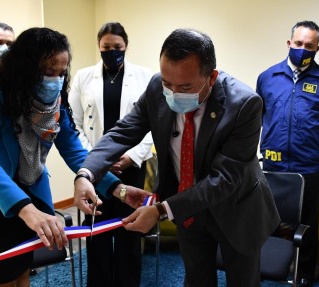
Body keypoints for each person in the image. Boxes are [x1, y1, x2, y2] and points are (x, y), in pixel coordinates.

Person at [74, 28, 280, 287]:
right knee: (196, 278)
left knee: (243, 281)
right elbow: (124, 131)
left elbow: (225, 179)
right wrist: (87, 173)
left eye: (185, 87)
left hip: (236, 208)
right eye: (167, 84)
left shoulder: (245, 104)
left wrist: (162, 210)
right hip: (187, 208)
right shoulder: (156, 87)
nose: (173, 93)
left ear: (211, 77)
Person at [0, 27, 150, 287]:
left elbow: (74, 150)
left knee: (21, 269)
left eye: (61, 73)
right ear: (23, 67)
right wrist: (26, 209)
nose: (54, 80)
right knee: (1, 275)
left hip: (25, 189)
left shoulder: (55, 99)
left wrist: (117, 188)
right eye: (47, 72)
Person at [256, 20, 319, 287]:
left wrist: (311, 140)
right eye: (298, 44)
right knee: (269, 220)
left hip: (308, 167)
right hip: (272, 164)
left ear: (318, 48)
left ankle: (304, 274)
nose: (303, 49)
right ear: (289, 43)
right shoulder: (267, 78)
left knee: (306, 225)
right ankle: (267, 268)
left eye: (309, 46)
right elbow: (260, 116)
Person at [69, 22, 153, 287]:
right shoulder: (83, 77)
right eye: (106, 47)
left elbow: (153, 124)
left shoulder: (145, 76)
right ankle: (100, 282)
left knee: (130, 228)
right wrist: (95, 157)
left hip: (131, 165)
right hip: (95, 167)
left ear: (125, 45)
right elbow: (73, 124)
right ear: (99, 47)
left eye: (117, 47)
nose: (112, 51)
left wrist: (132, 156)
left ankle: (128, 281)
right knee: (97, 229)